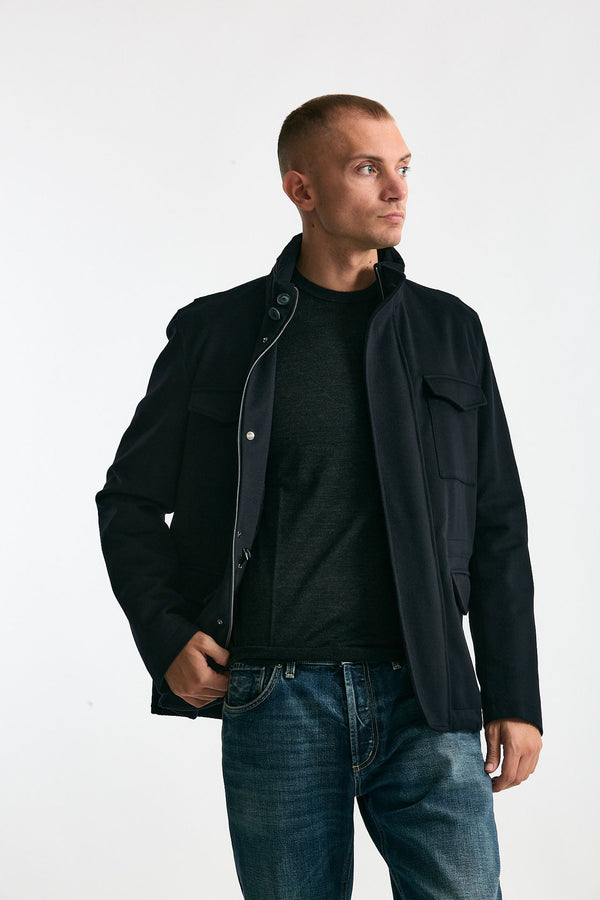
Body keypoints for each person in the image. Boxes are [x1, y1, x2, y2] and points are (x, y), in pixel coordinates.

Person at [96, 94, 542, 899]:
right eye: (368, 168)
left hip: (428, 693)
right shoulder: (216, 332)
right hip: (276, 695)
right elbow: (128, 501)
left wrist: (515, 694)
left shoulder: (449, 330)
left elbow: (498, 523)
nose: (397, 189)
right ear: (301, 189)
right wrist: (165, 632)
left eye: (403, 167)